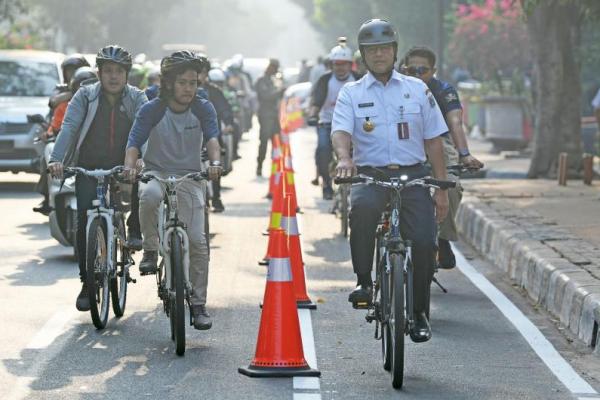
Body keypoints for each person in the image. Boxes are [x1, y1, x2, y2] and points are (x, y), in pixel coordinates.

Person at [331, 19, 449, 343]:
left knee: (425, 241)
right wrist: (345, 158)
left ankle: (420, 312)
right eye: (372, 50)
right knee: (362, 212)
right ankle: (365, 282)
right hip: (371, 174)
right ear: (363, 56)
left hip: (413, 174)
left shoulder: (417, 89)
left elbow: (434, 141)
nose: (379, 54)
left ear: (394, 52)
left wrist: (440, 189)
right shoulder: (351, 93)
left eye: (385, 48)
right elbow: (340, 131)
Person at [124, 50, 221, 330]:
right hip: (156, 172)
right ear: (168, 83)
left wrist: (214, 163)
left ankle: (199, 304)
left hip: (191, 176)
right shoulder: (151, 109)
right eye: (183, 83)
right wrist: (131, 168)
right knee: (150, 195)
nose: (189, 88)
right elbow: (133, 143)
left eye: (193, 82)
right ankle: (151, 250)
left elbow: (213, 139)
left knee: (198, 241)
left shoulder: (203, 108)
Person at [48, 45, 147, 312]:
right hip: (88, 165)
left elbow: (147, 130)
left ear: (127, 75)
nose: (113, 77)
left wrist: (141, 161)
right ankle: (86, 281)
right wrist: (56, 159)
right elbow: (69, 128)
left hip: (124, 163)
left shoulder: (138, 98)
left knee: (141, 184)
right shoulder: (85, 96)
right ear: (99, 73)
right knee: (84, 220)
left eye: (119, 72)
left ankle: (135, 227)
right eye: (108, 71)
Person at [401, 46, 483, 270]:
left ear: (433, 71)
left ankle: (442, 238)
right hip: (402, 142)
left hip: (439, 141)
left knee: (451, 185)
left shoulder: (444, 90)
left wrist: (464, 154)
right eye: (411, 70)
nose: (417, 75)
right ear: (403, 69)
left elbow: (455, 122)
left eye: (423, 70)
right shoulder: (393, 87)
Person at [33, 55, 91, 215]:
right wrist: (74, 93)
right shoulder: (64, 97)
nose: (72, 74)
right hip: (65, 140)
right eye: (69, 71)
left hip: (94, 146)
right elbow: (60, 121)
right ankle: (49, 196)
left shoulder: (102, 96)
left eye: (75, 70)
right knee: (50, 155)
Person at [307, 42, 360, 200]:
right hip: (327, 123)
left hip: (353, 125)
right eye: (337, 64)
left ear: (351, 65)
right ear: (331, 65)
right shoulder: (325, 80)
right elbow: (316, 102)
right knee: (323, 149)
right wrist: (312, 115)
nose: (340, 68)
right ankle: (326, 184)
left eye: (344, 64)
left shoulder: (358, 80)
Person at [198, 57, 235, 213]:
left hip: (211, 137)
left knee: (215, 165)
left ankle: (217, 197)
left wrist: (229, 123)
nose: (199, 76)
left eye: (202, 72)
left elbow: (225, 109)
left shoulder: (214, 92)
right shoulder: (179, 93)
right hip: (189, 138)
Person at [255, 58, 284, 177]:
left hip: (275, 114)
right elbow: (265, 96)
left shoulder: (274, 80)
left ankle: (275, 166)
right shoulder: (261, 81)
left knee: (276, 141)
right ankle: (260, 166)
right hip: (265, 114)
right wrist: (279, 92)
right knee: (264, 141)